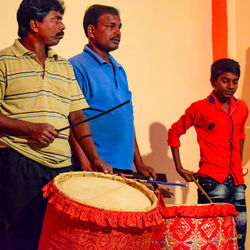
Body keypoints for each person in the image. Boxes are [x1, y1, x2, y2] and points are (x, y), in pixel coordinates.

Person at [0, 1, 112, 249]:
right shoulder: (4, 61)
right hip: (19, 163)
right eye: (56, 19)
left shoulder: (64, 66)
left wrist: (94, 158)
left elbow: (78, 117)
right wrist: (29, 128)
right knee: (17, 238)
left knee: (57, 239)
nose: (63, 26)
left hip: (62, 169)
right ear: (34, 24)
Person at [167, 58, 248, 249]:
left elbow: (241, 134)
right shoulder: (200, 108)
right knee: (214, 239)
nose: (231, 86)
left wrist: (239, 163)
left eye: (235, 81)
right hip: (212, 182)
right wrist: (179, 167)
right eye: (225, 80)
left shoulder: (242, 107)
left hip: (236, 181)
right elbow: (174, 132)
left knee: (240, 235)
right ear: (213, 81)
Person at [69, 4, 156, 179]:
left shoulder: (120, 69)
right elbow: (71, 118)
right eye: (110, 26)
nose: (117, 32)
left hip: (123, 167)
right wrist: (85, 162)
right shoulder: (75, 66)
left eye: (119, 27)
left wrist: (138, 162)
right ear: (91, 31)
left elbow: (126, 118)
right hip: (96, 167)